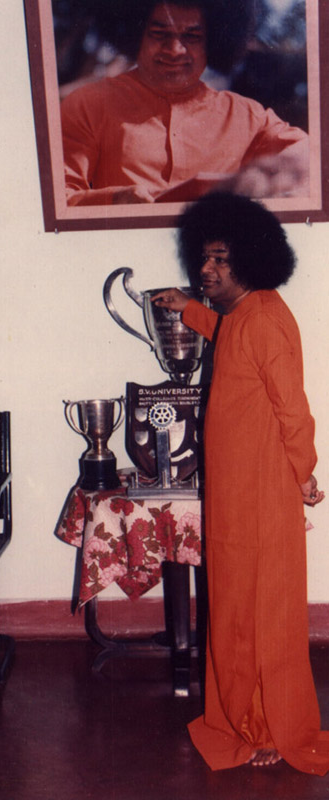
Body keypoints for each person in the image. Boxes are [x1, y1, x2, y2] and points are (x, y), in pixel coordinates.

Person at [151, 191, 329, 773]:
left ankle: (269, 727)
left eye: (221, 259)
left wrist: (304, 472)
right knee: (232, 607)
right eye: (204, 258)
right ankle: (241, 717)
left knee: (263, 613)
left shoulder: (267, 318)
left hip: (262, 494)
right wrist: (188, 309)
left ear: (252, 258)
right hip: (232, 494)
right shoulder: (245, 315)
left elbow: (293, 410)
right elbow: (231, 337)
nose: (207, 270)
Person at [60, 0, 309, 206]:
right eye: (160, 34)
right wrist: (113, 200)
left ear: (213, 42)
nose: (175, 49)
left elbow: (309, 155)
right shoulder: (87, 105)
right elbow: (58, 201)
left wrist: (270, 179)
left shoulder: (248, 117)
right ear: (136, 35)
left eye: (192, 36)